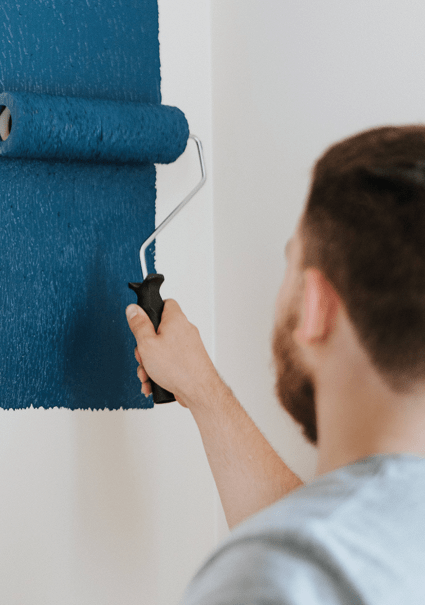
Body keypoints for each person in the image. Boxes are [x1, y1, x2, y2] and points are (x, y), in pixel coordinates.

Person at [126, 125, 425, 603]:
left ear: (315, 306)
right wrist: (203, 390)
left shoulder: (283, 574)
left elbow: (312, 549)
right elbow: (338, 525)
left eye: (292, 261)